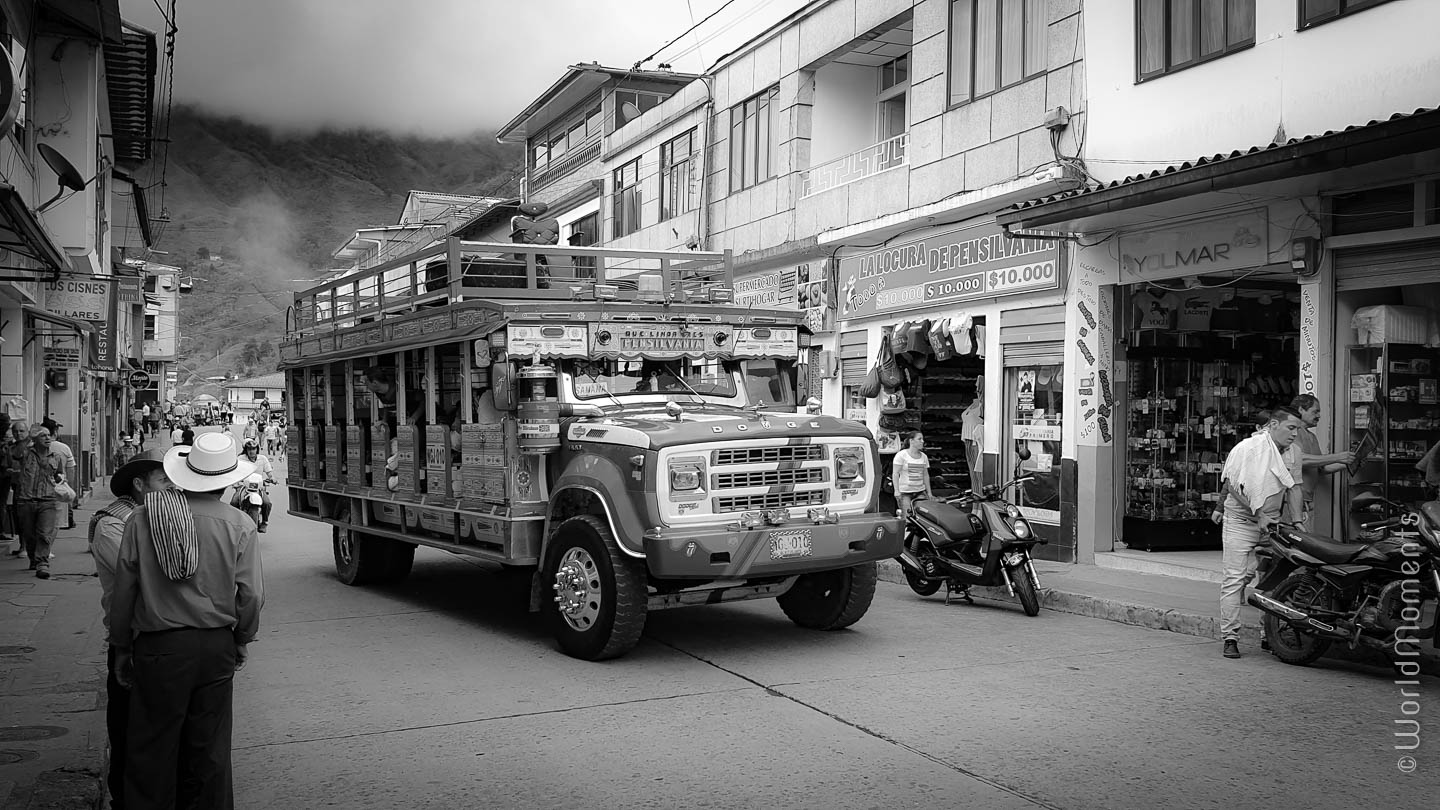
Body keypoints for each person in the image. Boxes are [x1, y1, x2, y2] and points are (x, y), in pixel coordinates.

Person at [110, 432, 264, 810]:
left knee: (151, 749)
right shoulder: (240, 523)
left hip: (158, 647)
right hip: (214, 646)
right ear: (228, 481)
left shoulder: (144, 517)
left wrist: (120, 646)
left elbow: (124, 591)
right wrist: (241, 638)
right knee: (210, 750)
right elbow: (252, 596)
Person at [89, 449, 172, 810]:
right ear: (139, 485)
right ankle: (124, 798)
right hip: (133, 635)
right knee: (127, 729)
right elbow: (143, 578)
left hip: (159, 635)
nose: (171, 487)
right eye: (163, 480)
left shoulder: (155, 515)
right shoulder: (112, 523)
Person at [1217, 405, 1304, 660]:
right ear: (1273, 425)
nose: (1294, 434)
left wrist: (1298, 522)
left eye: (1297, 429)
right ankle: (1230, 637)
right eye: (1290, 428)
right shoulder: (1247, 449)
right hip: (1242, 521)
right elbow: (1232, 486)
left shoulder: (1293, 453)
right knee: (1235, 579)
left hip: (1274, 524)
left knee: (1273, 580)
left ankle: (1269, 635)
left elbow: (1294, 488)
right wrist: (1259, 514)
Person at [1289, 394, 1354, 530]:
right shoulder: (1293, 432)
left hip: (1308, 502)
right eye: (1315, 411)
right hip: (1293, 503)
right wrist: (1338, 457)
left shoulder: (1311, 436)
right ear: (1301, 410)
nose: (1319, 416)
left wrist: (1348, 462)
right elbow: (1300, 459)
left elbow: (1321, 468)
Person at [11, 423, 68, 578]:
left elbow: (59, 474)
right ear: (35, 439)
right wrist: (28, 436)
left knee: (44, 533)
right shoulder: (25, 453)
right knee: (29, 534)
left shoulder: (55, 457)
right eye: (43, 435)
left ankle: (42, 563)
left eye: (49, 435)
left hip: (47, 500)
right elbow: (15, 455)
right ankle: (34, 558)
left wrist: (59, 479)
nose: (48, 438)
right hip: (26, 499)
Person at [42, 418, 80, 529]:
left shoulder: (35, 447)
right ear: (55, 432)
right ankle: (68, 521)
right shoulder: (64, 448)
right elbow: (70, 469)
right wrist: (70, 486)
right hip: (60, 485)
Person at [237, 439, 275, 532]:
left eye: (253, 449)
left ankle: (265, 522)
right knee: (234, 502)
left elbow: (269, 473)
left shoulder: (263, 459)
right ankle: (235, 523)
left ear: (257, 449)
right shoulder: (240, 459)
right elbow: (235, 471)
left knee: (267, 503)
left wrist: (272, 478)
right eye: (249, 449)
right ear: (246, 450)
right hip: (243, 486)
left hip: (259, 487)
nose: (251, 451)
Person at [892, 431, 932, 518]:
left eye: (923, 439)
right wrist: (896, 491)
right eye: (919, 439)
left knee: (923, 518)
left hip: (920, 491)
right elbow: (895, 473)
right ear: (911, 441)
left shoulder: (924, 456)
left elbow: (925, 475)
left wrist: (929, 493)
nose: (922, 441)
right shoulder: (901, 455)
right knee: (907, 518)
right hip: (905, 492)